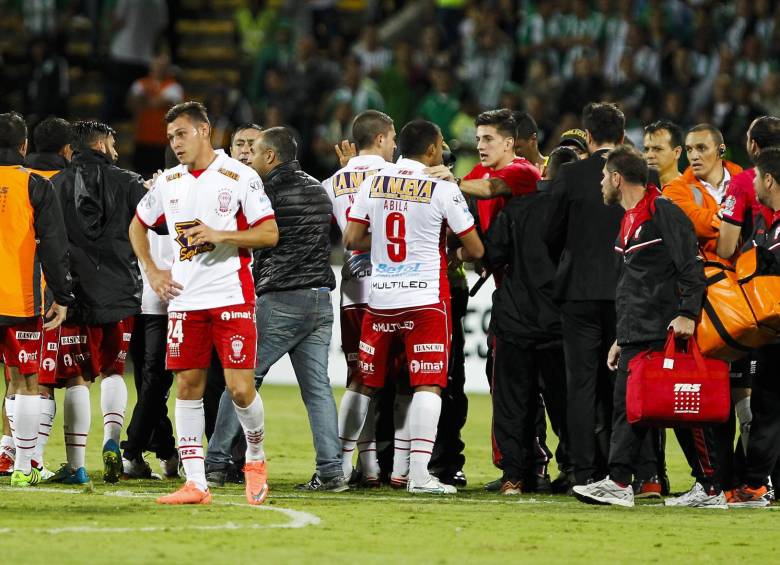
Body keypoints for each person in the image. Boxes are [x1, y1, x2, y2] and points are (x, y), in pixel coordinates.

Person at [130, 101, 279, 505]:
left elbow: (269, 233)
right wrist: (153, 271)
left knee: (240, 388)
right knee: (187, 386)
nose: (175, 143)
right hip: (185, 300)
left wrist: (221, 234)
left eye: (181, 134)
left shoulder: (239, 176)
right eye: (170, 137)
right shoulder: (169, 181)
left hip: (231, 294)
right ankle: (196, 482)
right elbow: (137, 225)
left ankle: (255, 456)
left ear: (204, 131)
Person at [341, 120, 484, 494]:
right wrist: (447, 249)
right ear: (434, 149)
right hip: (425, 301)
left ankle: (338, 467)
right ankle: (419, 475)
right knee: (427, 383)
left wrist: (382, 245)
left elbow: (351, 238)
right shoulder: (443, 187)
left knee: (363, 382)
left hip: (380, 299)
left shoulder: (373, 181)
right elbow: (475, 249)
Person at [206, 126, 344, 491]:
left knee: (240, 380)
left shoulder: (265, 191)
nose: (249, 158)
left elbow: (252, 235)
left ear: (270, 156)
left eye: (255, 152)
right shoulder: (318, 189)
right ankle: (332, 471)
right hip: (320, 299)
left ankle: (215, 464)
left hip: (281, 299)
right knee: (318, 391)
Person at [572, 145, 710, 508]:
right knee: (629, 408)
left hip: (663, 330)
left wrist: (688, 314)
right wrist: (621, 336)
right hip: (637, 331)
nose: (601, 183)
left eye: (604, 176)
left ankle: (710, 485)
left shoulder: (661, 210)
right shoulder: (630, 218)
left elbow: (692, 265)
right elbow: (631, 284)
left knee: (679, 412)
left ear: (618, 178)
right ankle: (620, 481)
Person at [47, 120, 146, 485]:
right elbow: (157, 226)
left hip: (72, 296)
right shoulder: (130, 182)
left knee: (77, 378)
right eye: (113, 143)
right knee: (113, 371)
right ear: (102, 145)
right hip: (120, 293)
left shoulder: (54, 185)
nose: (117, 150)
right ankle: (111, 440)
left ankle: (76, 465)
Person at [482, 146, 576, 495]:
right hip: (559, 325)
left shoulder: (517, 209)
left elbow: (492, 255)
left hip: (515, 321)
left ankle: (514, 475)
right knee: (566, 402)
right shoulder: (577, 215)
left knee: (513, 402)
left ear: (546, 172)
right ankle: (576, 470)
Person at [544, 102, 626, 488]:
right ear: (622, 136)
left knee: (580, 383)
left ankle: (581, 469)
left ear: (588, 137)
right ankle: (623, 469)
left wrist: (570, 259)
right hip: (625, 294)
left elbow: (550, 232)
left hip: (578, 292)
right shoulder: (640, 174)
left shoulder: (571, 174)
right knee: (621, 383)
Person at [663, 123, 743, 500]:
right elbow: (694, 224)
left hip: (750, 300)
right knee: (709, 395)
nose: (694, 156)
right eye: (690, 149)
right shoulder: (676, 190)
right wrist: (733, 222)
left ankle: (748, 481)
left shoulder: (744, 179)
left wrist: (722, 224)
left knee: (752, 400)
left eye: (701, 148)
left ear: (720, 150)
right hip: (709, 304)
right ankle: (713, 481)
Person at [322, 110, 402, 487]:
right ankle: (399, 467)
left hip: (353, 289)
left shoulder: (331, 182)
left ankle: (365, 465)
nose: (395, 146)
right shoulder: (397, 177)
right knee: (398, 380)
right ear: (382, 138)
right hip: (393, 288)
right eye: (393, 138)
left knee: (360, 377)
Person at [0, 111, 73, 486]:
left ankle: (11, 457)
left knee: (13, 381)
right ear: (23, 145)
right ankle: (24, 467)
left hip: (18, 299)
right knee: (26, 381)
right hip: (19, 300)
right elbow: (54, 247)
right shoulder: (34, 185)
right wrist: (62, 295)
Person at [122, 146, 180, 480]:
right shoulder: (186, 193)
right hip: (169, 301)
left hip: (140, 299)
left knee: (150, 383)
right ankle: (132, 452)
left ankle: (167, 451)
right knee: (157, 382)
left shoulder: (147, 192)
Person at [728, 147, 780, 507]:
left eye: (757, 177)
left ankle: (756, 484)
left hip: (776, 333)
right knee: (768, 408)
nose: (753, 184)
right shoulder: (767, 223)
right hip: (770, 332)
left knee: (767, 408)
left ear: (770, 180)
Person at [22, 116, 72, 479]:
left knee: (15, 376)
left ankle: (8, 450)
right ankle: (33, 457)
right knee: (42, 380)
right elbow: (62, 244)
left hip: (14, 288)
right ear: (68, 149)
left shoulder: (19, 178)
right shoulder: (67, 182)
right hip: (48, 292)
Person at [127, 51, 184, 178]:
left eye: (163, 65)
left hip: (163, 140)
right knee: (140, 177)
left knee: (161, 177)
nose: (160, 68)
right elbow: (131, 103)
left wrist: (146, 99)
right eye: (158, 64)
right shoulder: (140, 83)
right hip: (142, 137)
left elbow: (163, 103)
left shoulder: (174, 87)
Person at [643, 120, 683, 188]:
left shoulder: (694, 192)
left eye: (657, 149)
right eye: (646, 149)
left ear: (677, 152)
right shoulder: (634, 191)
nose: (649, 156)